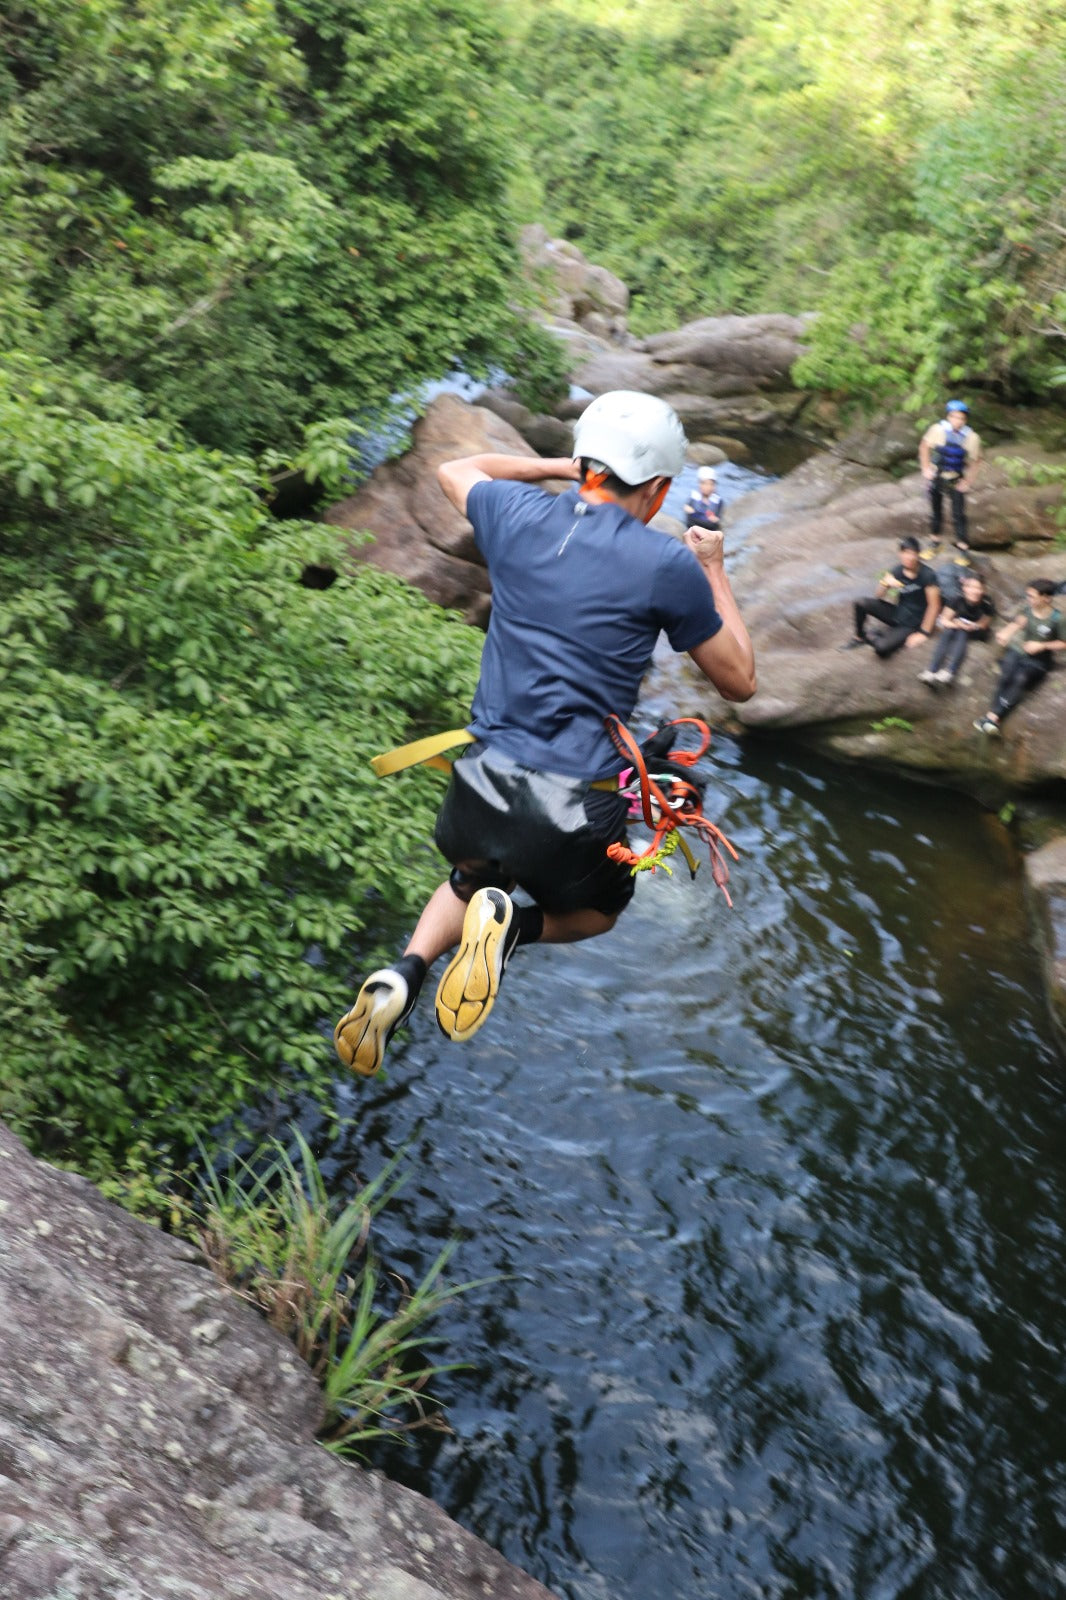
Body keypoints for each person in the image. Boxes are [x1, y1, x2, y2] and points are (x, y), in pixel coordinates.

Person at [334, 391, 757, 1076]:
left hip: (481, 781)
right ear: (658, 489)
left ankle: (405, 972)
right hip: (573, 804)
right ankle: (510, 935)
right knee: (598, 911)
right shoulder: (665, 563)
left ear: (587, 462)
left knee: (468, 880)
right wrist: (713, 568)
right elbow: (738, 680)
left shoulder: (513, 512)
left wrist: (561, 466)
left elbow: (457, 468)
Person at [973, 578, 1066, 736]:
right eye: (1028, 595)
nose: (1028, 599)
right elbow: (1019, 622)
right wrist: (1006, 632)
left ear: (1046, 598)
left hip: (1039, 660)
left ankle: (992, 717)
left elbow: (1064, 643)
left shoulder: (1058, 618)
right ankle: (993, 718)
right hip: (1018, 652)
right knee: (1006, 675)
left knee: (1020, 679)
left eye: (1032, 596)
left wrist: (1042, 645)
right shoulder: (1028, 609)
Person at [838, 536, 941, 658]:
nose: (909, 557)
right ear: (900, 554)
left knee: (881, 648)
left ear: (918, 555)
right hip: (898, 614)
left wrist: (923, 633)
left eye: (913, 554)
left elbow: (934, 606)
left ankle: (871, 636)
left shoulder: (927, 575)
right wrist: (885, 583)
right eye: (905, 553)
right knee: (861, 602)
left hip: (913, 624)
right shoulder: (897, 571)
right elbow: (878, 596)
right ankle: (859, 637)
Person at [919, 399, 981, 553]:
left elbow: (976, 460)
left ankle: (962, 546)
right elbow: (924, 446)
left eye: (960, 418)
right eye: (953, 416)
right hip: (937, 475)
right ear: (948, 416)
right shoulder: (937, 430)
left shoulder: (971, 437)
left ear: (965, 419)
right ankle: (935, 541)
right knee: (936, 510)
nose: (957, 421)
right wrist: (925, 468)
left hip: (955, 477)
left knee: (958, 514)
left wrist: (968, 481)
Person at [918, 571, 995, 686]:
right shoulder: (957, 599)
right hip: (959, 626)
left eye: (978, 588)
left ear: (983, 589)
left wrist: (970, 626)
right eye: (970, 587)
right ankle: (932, 670)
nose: (974, 591)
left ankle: (950, 671)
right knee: (949, 631)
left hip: (978, 631)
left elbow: (984, 623)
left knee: (962, 632)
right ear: (964, 588)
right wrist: (957, 624)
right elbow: (944, 620)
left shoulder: (987, 602)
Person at [684, 466, 724, 531]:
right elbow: (689, 519)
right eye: (705, 484)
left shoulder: (718, 501)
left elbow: (714, 522)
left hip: (708, 531)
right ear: (700, 484)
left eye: (711, 484)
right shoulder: (694, 497)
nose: (708, 487)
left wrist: (695, 513)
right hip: (693, 528)